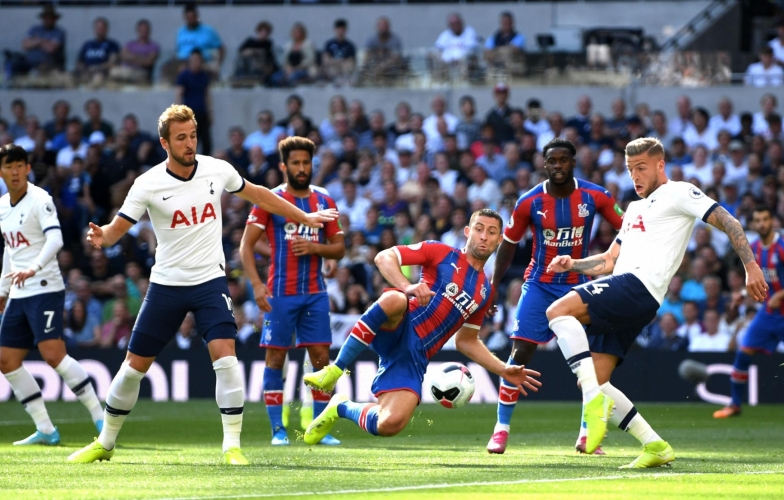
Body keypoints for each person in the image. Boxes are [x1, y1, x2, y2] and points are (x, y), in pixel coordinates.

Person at [66, 104, 337, 466]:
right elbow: (117, 229)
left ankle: (232, 447)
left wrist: (304, 215)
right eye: (181, 138)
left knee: (227, 360)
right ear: (165, 142)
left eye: (192, 135)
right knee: (133, 368)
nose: (189, 143)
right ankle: (105, 442)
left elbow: (259, 194)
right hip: (166, 284)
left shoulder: (216, 169)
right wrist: (103, 236)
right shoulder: (147, 184)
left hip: (210, 281)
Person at [545, 137, 767, 468]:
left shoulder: (679, 192)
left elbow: (729, 221)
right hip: (623, 287)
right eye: (630, 169)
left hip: (639, 287)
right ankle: (655, 445)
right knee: (595, 378)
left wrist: (751, 266)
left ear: (660, 166)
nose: (635, 176)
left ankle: (592, 402)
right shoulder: (634, 209)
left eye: (641, 168)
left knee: (557, 311)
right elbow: (608, 260)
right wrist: (573, 264)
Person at [301, 209, 541, 444]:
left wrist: (502, 370)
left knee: (389, 424)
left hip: (415, 356)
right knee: (394, 298)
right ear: (467, 231)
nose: (484, 237)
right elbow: (383, 257)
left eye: (491, 232)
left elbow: (465, 341)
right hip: (400, 323)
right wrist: (407, 286)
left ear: (499, 240)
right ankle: (334, 370)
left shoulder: (485, 292)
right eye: (479, 229)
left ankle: (340, 406)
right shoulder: (440, 252)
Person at [485, 138, 624, 455]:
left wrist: (616, 264)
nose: (558, 165)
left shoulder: (595, 196)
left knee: (591, 362)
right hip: (540, 284)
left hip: (579, 286)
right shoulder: (529, 202)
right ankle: (501, 430)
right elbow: (508, 243)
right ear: (544, 164)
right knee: (520, 353)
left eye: (563, 160)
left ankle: (587, 434)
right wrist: (494, 284)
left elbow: (628, 228)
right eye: (552, 161)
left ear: (573, 162)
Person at [240, 137, 345, 446]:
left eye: (307, 163)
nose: (302, 168)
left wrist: (315, 247)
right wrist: (258, 285)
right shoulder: (269, 200)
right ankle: (278, 431)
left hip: (315, 292)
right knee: (275, 358)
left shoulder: (324, 200)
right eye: (296, 163)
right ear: (284, 166)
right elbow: (245, 247)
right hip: (280, 294)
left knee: (322, 361)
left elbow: (339, 248)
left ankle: (318, 429)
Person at [0, 144, 104, 445]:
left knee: (53, 355)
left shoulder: (40, 199)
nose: (16, 170)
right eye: (9, 165)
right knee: (6, 360)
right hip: (19, 291)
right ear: (2, 171)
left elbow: (56, 239)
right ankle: (46, 428)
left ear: (28, 168)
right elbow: (11, 248)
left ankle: (101, 417)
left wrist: (33, 268)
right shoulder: (3, 206)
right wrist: (4, 289)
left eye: (21, 164)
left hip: (45, 287)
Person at [713, 206, 784, 418]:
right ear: (753, 224)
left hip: (778, 306)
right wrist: (742, 294)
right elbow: (758, 280)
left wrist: (780, 296)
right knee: (743, 353)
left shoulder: (781, 247)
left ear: (772, 221)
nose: (762, 224)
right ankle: (735, 404)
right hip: (769, 314)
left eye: (765, 219)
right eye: (757, 220)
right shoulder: (753, 249)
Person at [176, 50, 213, 155]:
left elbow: (207, 95)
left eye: (198, 60)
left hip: (202, 113)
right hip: (189, 116)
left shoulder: (204, 76)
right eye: (194, 60)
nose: (196, 62)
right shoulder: (184, 75)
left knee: (206, 143)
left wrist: (210, 112)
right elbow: (179, 95)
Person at [111, 19, 160, 85]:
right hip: (125, 69)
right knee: (113, 72)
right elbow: (123, 55)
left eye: (145, 29)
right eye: (141, 29)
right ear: (137, 30)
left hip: (142, 72)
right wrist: (141, 58)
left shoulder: (153, 46)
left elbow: (149, 61)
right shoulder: (130, 44)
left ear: (149, 31)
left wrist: (131, 57)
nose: (143, 31)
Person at [75, 17, 120, 87]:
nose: (100, 30)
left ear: (106, 29)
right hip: (85, 73)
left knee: (97, 79)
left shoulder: (112, 45)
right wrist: (83, 70)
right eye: (98, 28)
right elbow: (79, 61)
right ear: (94, 29)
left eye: (102, 28)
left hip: (102, 74)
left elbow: (112, 62)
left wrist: (96, 68)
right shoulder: (87, 44)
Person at [322, 19, 356, 86]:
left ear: (345, 30)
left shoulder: (350, 45)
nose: (340, 32)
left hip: (344, 68)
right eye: (339, 29)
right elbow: (325, 60)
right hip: (333, 67)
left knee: (348, 66)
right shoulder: (329, 44)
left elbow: (351, 61)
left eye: (342, 29)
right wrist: (338, 61)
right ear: (335, 30)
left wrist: (338, 62)